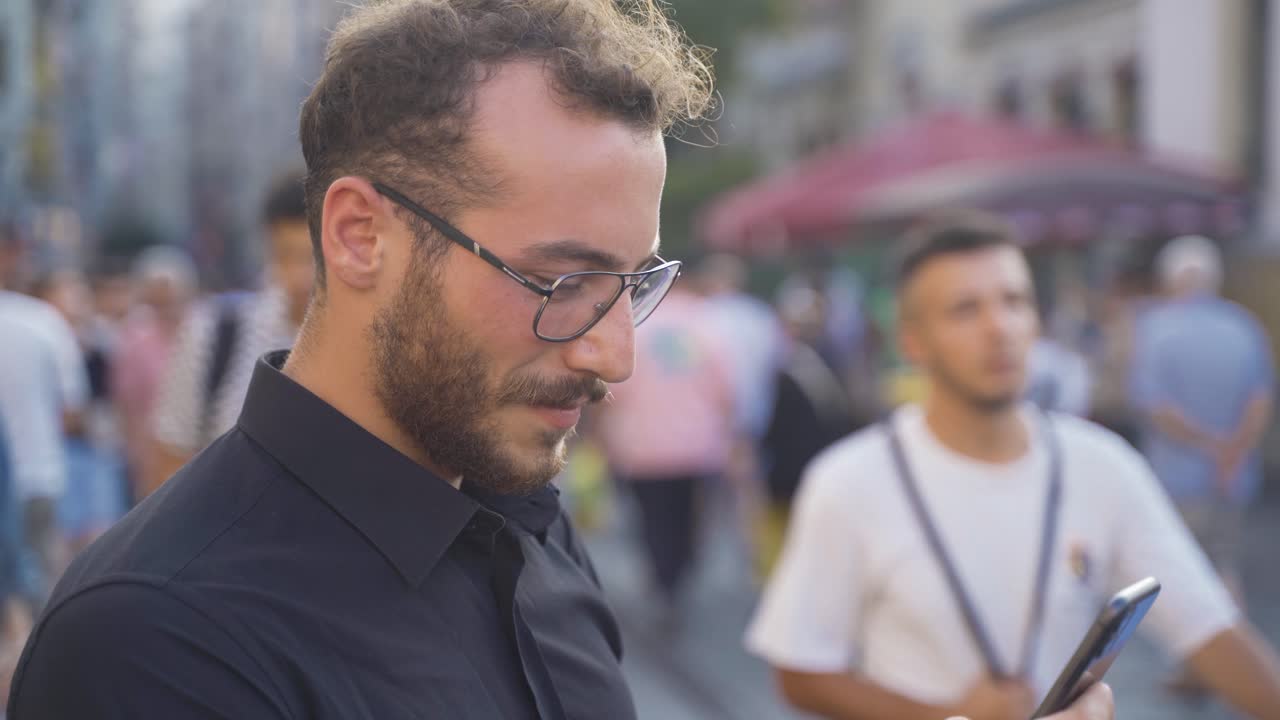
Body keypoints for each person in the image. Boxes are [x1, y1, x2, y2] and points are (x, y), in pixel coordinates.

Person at [8, 1, 709, 717]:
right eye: (562, 283)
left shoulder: (533, 525)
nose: (616, 355)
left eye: (634, 283)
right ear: (359, 235)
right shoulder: (152, 641)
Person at [746, 211, 1280, 720]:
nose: (999, 327)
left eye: (1014, 300)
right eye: (965, 309)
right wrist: (948, 716)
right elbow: (799, 672)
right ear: (913, 341)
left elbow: (1211, 633)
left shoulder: (1102, 466)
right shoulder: (849, 482)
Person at [1131, 234, 1274, 691]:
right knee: (1223, 565)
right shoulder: (1243, 325)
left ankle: (1204, 669)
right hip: (1233, 477)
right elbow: (1260, 400)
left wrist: (1209, 445)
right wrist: (1233, 449)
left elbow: (1156, 407)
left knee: (1183, 575)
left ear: (1172, 279)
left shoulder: (1156, 329)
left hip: (1179, 477)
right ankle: (1231, 669)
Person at [143, 171, 315, 497]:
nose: (300, 277)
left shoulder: (369, 344)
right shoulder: (217, 330)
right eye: (285, 255)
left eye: (313, 258)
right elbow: (171, 458)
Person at [593, 281, 735, 621]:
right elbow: (726, 392)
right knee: (690, 522)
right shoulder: (708, 325)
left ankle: (664, 582)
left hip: (643, 448)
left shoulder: (638, 324)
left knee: (654, 522)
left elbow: (614, 393)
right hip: (699, 447)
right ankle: (679, 579)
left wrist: (601, 437)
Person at [112, 245, 198, 504]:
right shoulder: (134, 339)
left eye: (170, 298)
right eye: (156, 300)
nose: (165, 307)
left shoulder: (202, 333)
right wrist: (137, 459)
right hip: (150, 457)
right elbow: (129, 407)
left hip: (198, 453)